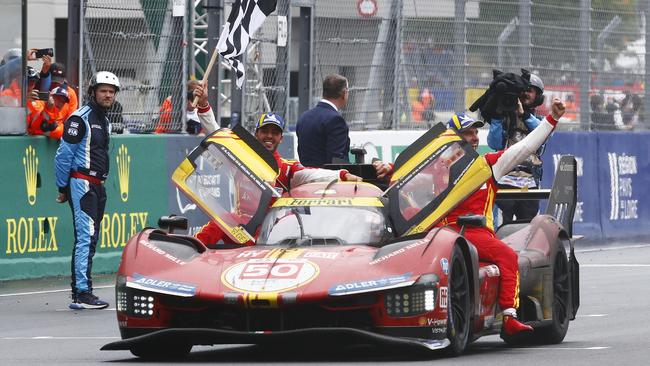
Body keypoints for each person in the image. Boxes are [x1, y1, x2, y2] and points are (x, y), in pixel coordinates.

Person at [374, 100, 566, 337]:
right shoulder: (433, 167)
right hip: (438, 237)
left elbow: (525, 148)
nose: (474, 138)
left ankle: (509, 316)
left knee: (506, 255)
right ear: (452, 139)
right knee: (507, 255)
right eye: (467, 133)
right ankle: (507, 315)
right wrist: (385, 167)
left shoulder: (486, 165)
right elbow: (403, 176)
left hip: (470, 234)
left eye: (476, 132)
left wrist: (551, 120)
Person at [196, 112, 362, 246]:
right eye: (265, 131)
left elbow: (312, 174)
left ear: (281, 138)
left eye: (274, 133)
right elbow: (217, 138)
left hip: (272, 236)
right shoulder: (241, 158)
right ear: (256, 133)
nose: (269, 136)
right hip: (241, 230)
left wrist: (342, 174)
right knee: (221, 221)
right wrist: (204, 108)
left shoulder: (287, 168)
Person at [54, 71, 120, 310]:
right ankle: (82, 292)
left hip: (97, 186)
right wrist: (62, 187)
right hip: (81, 183)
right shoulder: (79, 118)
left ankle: (83, 291)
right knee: (85, 237)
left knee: (91, 238)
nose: (107, 95)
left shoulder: (105, 120)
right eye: (103, 90)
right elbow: (63, 156)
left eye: (111, 92)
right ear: (93, 91)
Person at [487, 71, 545, 224]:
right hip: (505, 181)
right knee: (501, 227)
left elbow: (543, 134)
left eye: (530, 90)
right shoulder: (505, 117)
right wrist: (497, 117)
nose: (526, 93)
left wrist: (524, 114)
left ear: (538, 96)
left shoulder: (540, 121)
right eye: (523, 90)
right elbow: (494, 144)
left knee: (527, 229)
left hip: (530, 184)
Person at [296, 74, 350, 167]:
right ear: (344, 93)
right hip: (328, 179)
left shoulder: (304, 117)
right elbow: (336, 161)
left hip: (306, 177)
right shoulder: (336, 120)